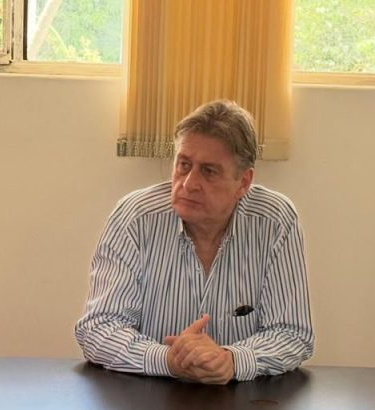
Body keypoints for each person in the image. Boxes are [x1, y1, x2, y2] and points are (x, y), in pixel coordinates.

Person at [75, 100, 314, 384]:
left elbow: (292, 333)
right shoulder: (136, 217)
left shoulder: (274, 221)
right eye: (184, 165)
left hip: (244, 399)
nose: (188, 183)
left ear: (243, 182)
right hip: (147, 395)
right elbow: (98, 328)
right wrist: (168, 360)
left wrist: (231, 360)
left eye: (209, 171)